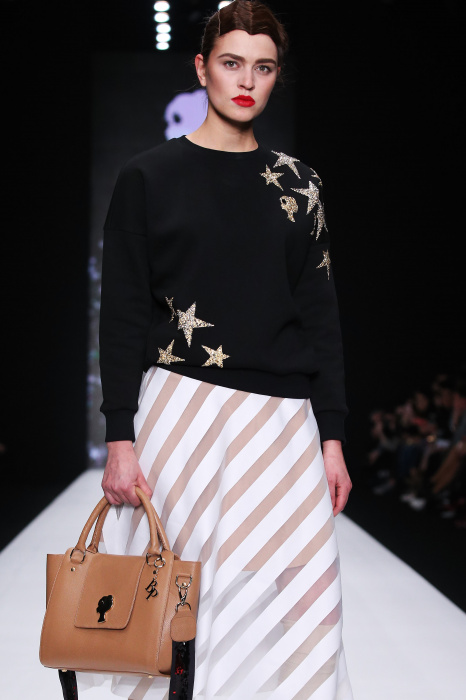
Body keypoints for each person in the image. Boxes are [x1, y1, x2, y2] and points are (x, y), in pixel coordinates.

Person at [79, 2, 354, 698]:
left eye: (263, 67)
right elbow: (124, 313)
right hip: (181, 412)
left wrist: (332, 436)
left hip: (283, 425)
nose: (247, 81)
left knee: (301, 606)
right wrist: (119, 438)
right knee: (171, 602)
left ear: (277, 76)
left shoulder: (300, 184)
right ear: (202, 68)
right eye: (232, 63)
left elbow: (320, 315)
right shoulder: (148, 177)